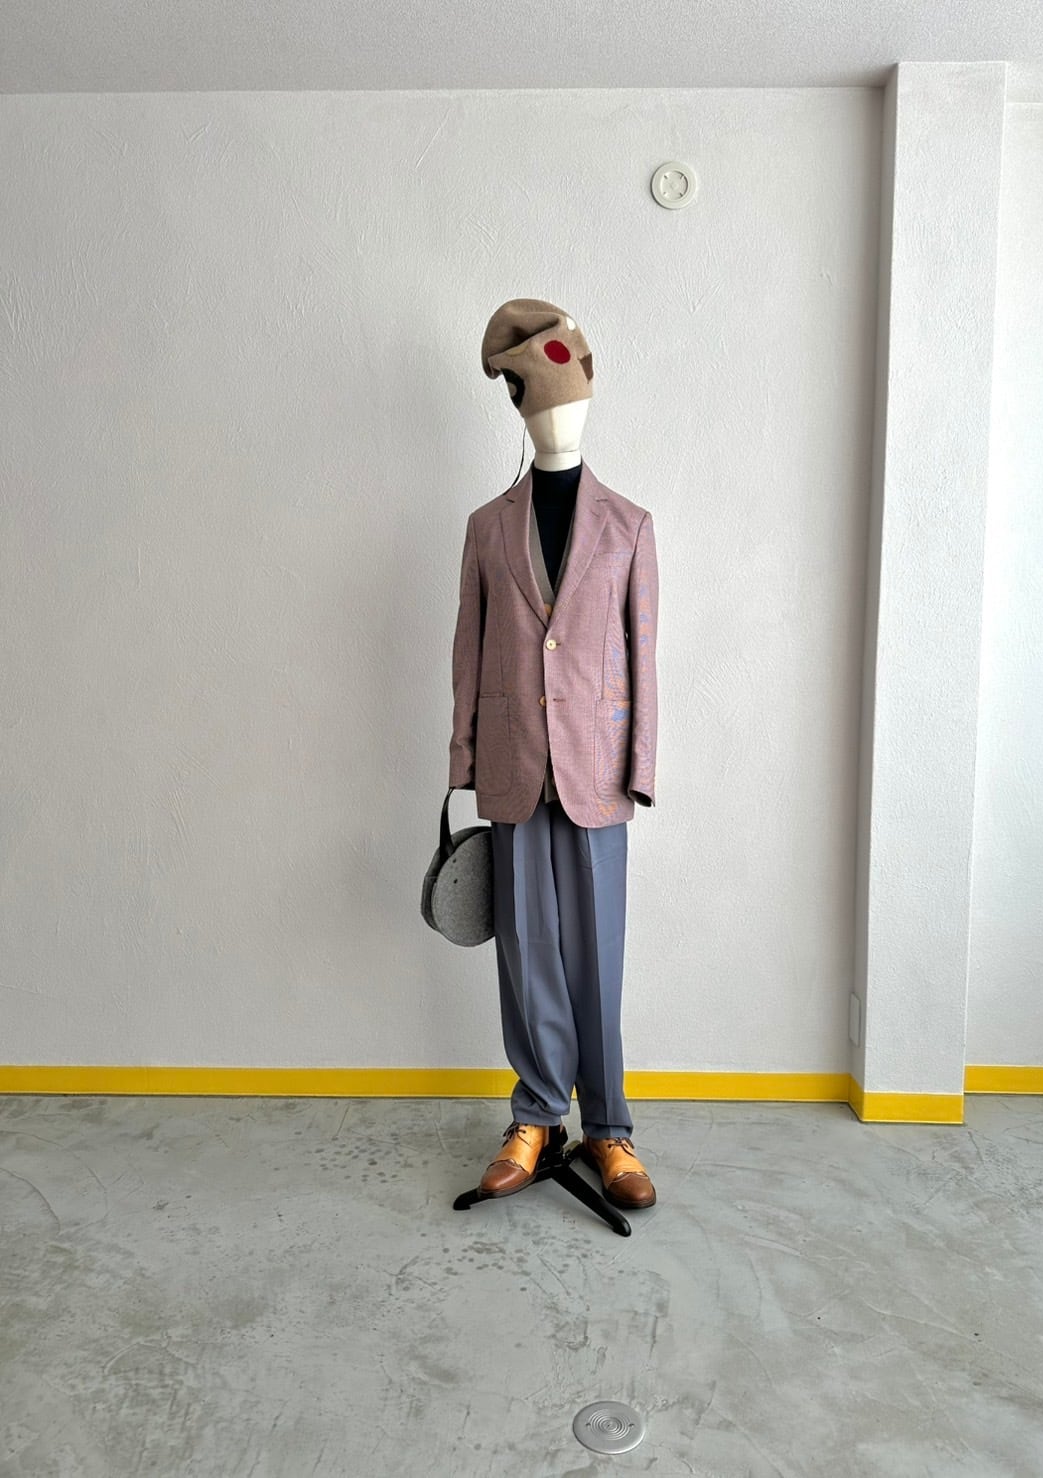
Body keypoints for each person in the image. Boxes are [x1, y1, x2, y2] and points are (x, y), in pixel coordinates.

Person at [449, 298, 659, 1210]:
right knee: (525, 950)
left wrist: (641, 765)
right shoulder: (486, 527)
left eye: (565, 402)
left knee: (596, 954)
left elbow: (644, 654)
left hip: (596, 768)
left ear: (587, 399)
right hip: (512, 763)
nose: (556, 420)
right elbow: (468, 650)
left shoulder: (629, 525)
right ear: (519, 411)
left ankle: (609, 1128)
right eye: (539, 404)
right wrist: (464, 760)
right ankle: (535, 1115)